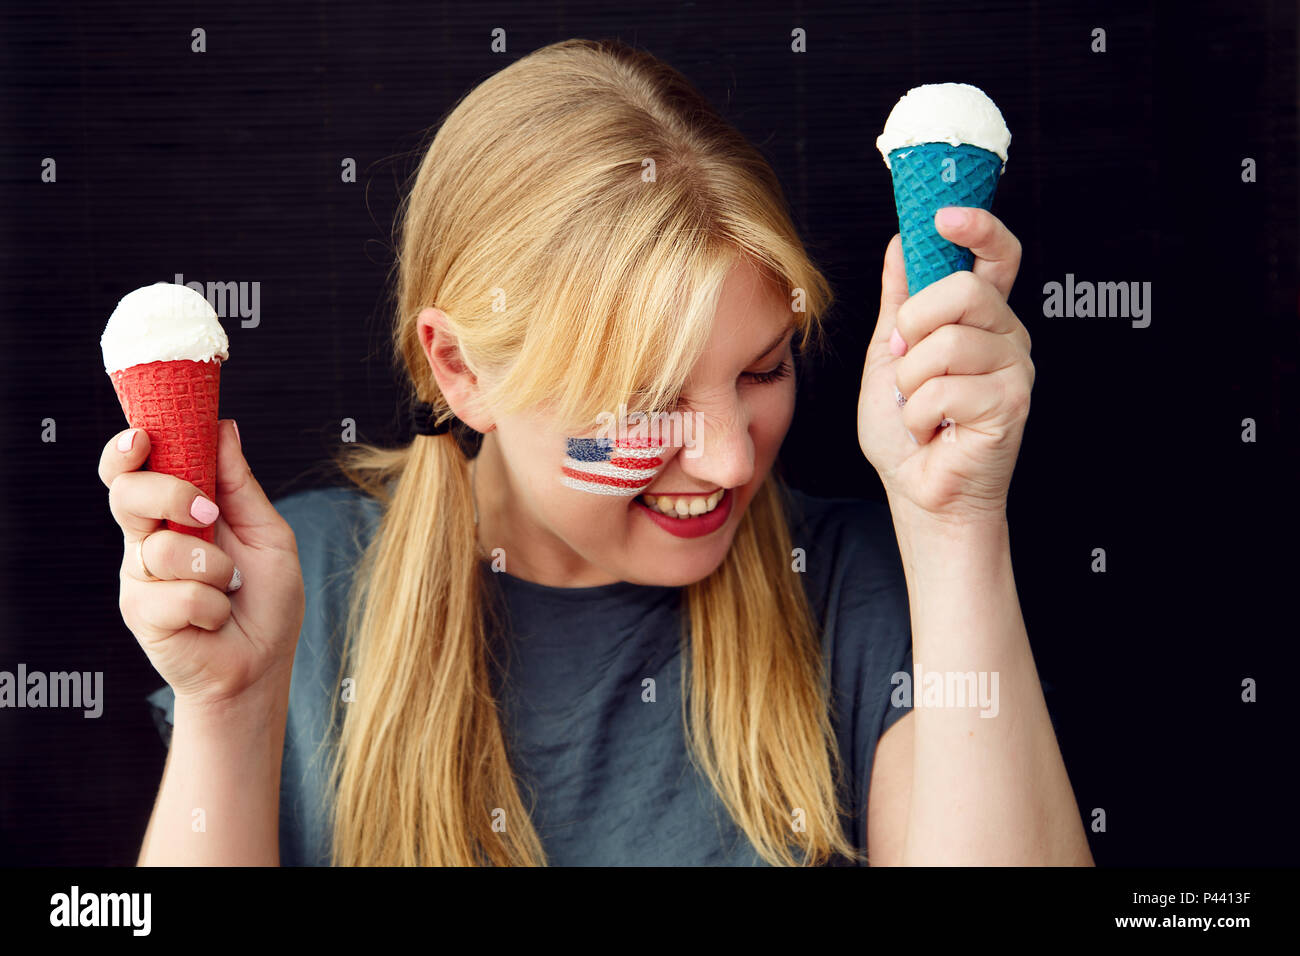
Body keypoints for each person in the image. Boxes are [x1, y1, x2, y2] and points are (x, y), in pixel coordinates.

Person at [99, 38, 1093, 866]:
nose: (728, 462)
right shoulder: (301, 592)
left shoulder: (858, 587)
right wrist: (227, 706)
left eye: (762, 371)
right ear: (461, 369)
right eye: (646, 400)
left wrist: (954, 524)